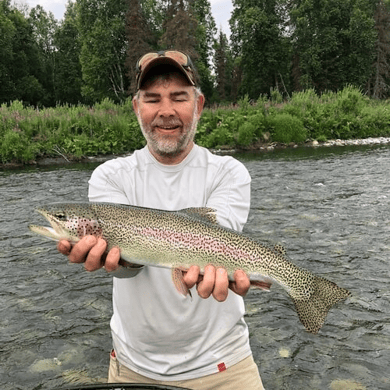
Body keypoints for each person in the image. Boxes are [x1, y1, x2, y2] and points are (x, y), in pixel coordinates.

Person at [57, 50, 264, 389]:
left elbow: (221, 237)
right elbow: (124, 265)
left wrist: (231, 271)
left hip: (226, 367)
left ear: (198, 105)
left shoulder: (229, 172)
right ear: (137, 108)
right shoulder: (110, 176)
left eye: (178, 97)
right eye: (152, 99)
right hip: (132, 367)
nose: (166, 111)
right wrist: (115, 259)